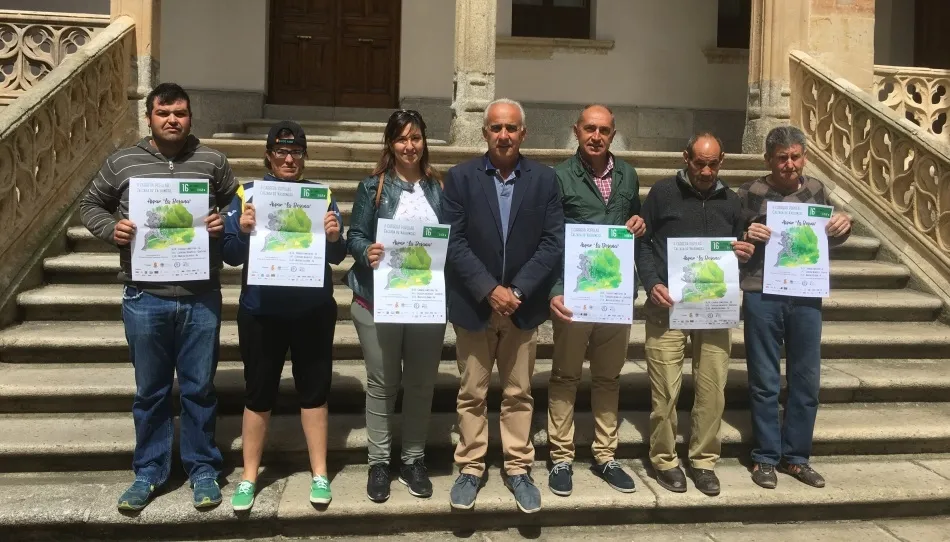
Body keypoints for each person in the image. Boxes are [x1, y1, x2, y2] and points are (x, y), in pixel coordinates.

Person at [79, 83, 238, 510]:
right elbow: (91, 204)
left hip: (200, 294)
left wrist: (225, 223)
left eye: (181, 113)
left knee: (199, 389)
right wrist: (112, 229)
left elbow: (238, 206)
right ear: (149, 117)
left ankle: (203, 469)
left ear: (190, 117)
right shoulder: (122, 162)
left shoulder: (212, 161)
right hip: (144, 295)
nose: (173, 119)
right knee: (150, 391)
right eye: (164, 112)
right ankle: (149, 472)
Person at [443, 98, 564, 514]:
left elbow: (552, 242)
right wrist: (489, 289)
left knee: (518, 393)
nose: (504, 135)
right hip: (475, 306)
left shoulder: (545, 181)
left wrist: (518, 290)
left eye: (511, 128)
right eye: (496, 128)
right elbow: (453, 241)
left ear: (523, 134)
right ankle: (471, 468)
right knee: (471, 392)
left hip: (522, 309)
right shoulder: (459, 179)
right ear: (484, 133)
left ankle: (518, 468)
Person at [221, 121, 345, 511]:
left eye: (296, 153)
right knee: (258, 394)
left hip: (312, 311)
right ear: (269, 155)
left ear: (305, 157)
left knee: (314, 393)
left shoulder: (321, 195)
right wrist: (241, 231)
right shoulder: (247, 193)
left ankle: (320, 473)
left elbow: (338, 256)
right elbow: (230, 254)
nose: (289, 158)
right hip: (262, 312)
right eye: (281, 152)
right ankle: (248, 477)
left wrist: (334, 236)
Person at [635, 133, 755, 497]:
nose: (705, 170)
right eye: (699, 162)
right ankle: (665, 460)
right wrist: (652, 282)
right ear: (685, 157)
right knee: (664, 391)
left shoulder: (731, 201)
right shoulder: (661, 193)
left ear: (722, 162)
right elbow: (642, 241)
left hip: (714, 310)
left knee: (712, 389)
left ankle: (704, 461)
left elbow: (739, 247)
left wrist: (744, 251)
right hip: (667, 307)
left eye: (713, 163)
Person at [737, 125, 851, 490]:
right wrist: (745, 236)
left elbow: (826, 241)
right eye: (782, 157)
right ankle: (766, 457)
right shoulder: (748, 193)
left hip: (805, 294)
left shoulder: (815, 189)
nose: (789, 164)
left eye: (795, 156)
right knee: (765, 379)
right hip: (762, 294)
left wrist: (841, 226)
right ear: (768, 159)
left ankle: (797, 457)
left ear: (804, 157)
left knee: (806, 378)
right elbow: (734, 245)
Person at [344, 110, 446, 503]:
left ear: (424, 142)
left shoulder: (439, 187)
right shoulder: (372, 187)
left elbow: (451, 237)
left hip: (424, 302)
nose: (409, 146)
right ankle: (379, 462)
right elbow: (355, 235)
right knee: (382, 384)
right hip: (377, 300)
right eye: (401, 139)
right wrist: (363, 250)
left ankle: (414, 459)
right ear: (390, 143)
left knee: (421, 383)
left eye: (416, 138)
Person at [547, 104, 646, 496]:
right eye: (589, 128)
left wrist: (638, 225)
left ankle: (605, 455)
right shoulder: (558, 178)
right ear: (576, 131)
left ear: (613, 133)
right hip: (574, 296)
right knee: (566, 376)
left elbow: (635, 224)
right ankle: (560, 458)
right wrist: (554, 290)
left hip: (615, 298)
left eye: (604, 130)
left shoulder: (628, 175)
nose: (596, 136)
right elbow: (551, 241)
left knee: (608, 378)